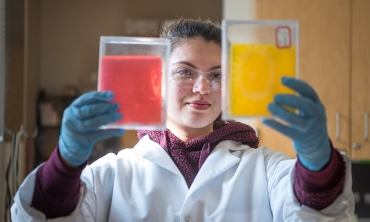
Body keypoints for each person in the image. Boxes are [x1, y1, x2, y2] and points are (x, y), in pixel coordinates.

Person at [11, 18, 354, 221]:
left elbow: (319, 213)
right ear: (157, 80)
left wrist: (317, 157)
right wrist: (65, 163)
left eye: (217, 75)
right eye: (185, 72)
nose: (203, 88)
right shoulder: (114, 173)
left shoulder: (264, 169)